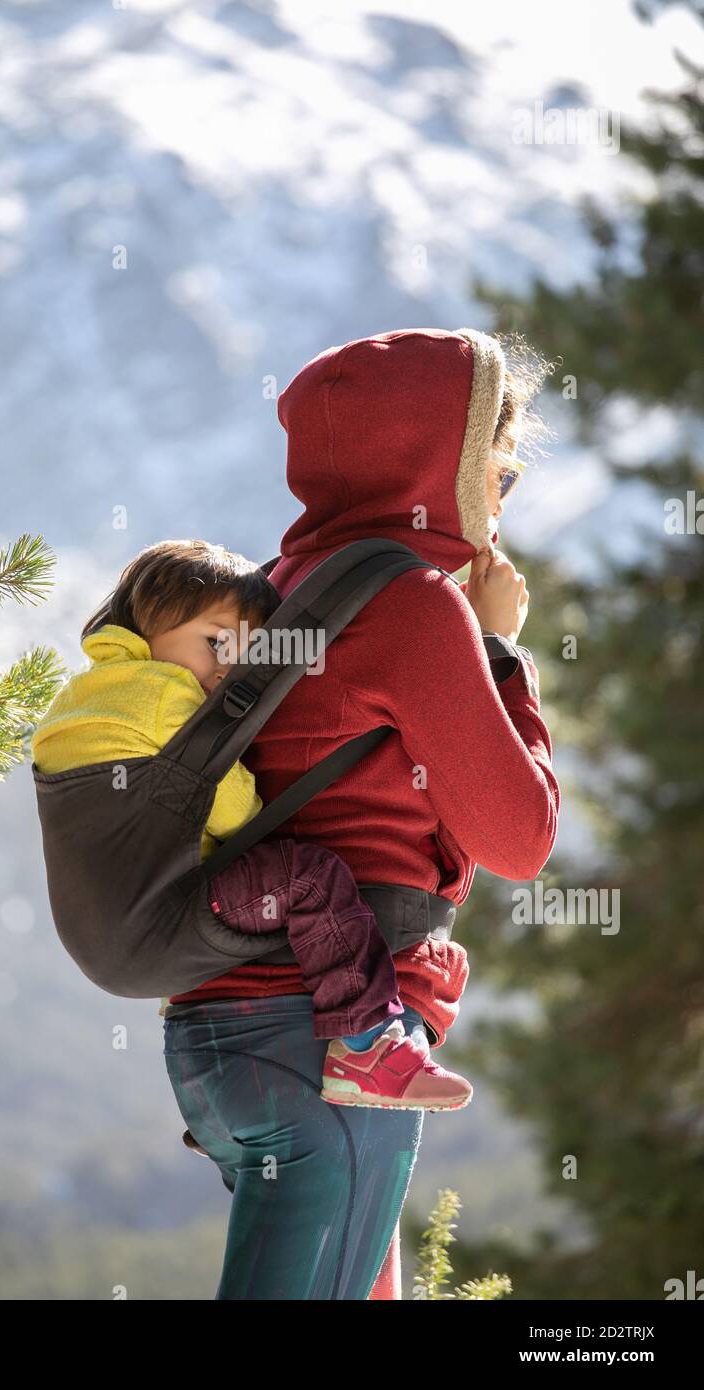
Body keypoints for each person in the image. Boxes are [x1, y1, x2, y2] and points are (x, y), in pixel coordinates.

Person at [162, 327, 561, 1299]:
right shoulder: (413, 604)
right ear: (447, 467)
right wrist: (501, 652)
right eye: (496, 475)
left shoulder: (277, 591)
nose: (499, 505)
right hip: (336, 1038)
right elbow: (519, 838)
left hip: (220, 1036)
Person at [31, 538, 476, 1112]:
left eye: (243, 656)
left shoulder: (77, 697)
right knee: (308, 878)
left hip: (102, 940)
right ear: (147, 621)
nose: (226, 668)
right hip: (161, 929)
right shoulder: (167, 697)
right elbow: (238, 812)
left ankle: (220, 1079)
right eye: (217, 641)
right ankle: (367, 1043)